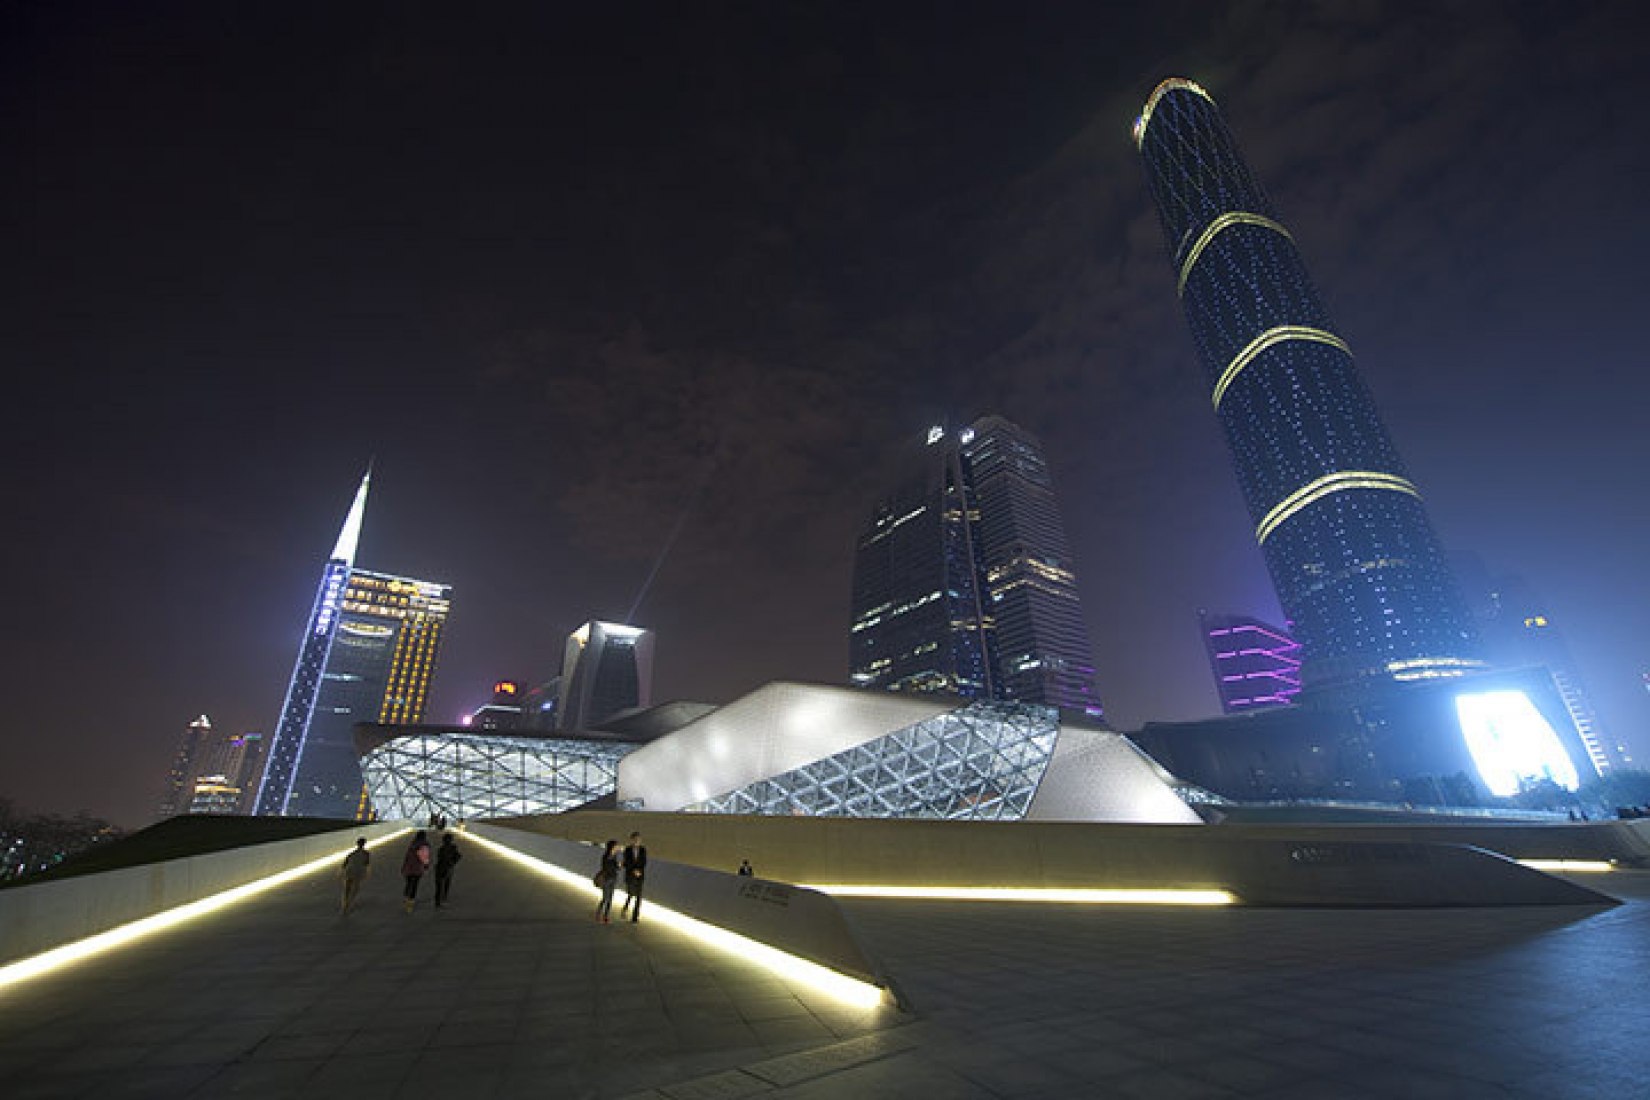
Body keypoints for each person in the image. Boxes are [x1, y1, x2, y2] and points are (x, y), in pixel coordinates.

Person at [619, 831, 647, 923]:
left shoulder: (643, 850)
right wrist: (633, 870)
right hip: (630, 876)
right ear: (632, 840)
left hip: (640, 876)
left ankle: (635, 917)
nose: (637, 841)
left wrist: (639, 871)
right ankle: (625, 908)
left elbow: (644, 862)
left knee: (639, 896)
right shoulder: (627, 850)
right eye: (635, 839)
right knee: (631, 894)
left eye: (638, 839)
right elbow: (627, 862)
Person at [401, 830, 432, 912]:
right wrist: (426, 866)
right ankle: (410, 903)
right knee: (414, 885)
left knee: (408, 883)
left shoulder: (412, 843)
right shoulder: (424, 845)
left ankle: (406, 898)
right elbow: (424, 857)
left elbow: (407, 856)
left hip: (408, 867)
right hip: (417, 868)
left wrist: (404, 867)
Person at [339, 837, 371, 913]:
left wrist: (342, 871)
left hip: (350, 871)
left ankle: (344, 904)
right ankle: (348, 904)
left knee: (347, 888)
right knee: (355, 889)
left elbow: (345, 863)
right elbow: (366, 863)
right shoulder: (366, 854)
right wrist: (366, 873)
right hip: (358, 872)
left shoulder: (351, 853)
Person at [434, 833, 462, 908]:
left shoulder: (441, 848)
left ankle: (438, 901)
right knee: (446, 884)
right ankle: (443, 899)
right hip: (448, 868)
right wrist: (452, 862)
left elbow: (439, 858)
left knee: (440, 886)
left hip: (441, 868)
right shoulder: (453, 848)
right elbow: (459, 856)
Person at [595, 839, 620, 924]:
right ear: (612, 847)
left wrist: (618, 866)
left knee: (610, 899)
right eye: (616, 846)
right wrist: (615, 866)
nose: (618, 847)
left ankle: (606, 916)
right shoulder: (606, 856)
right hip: (606, 879)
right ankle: (599, 913)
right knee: (605, 897)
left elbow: (615, 867)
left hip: (613, 878)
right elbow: (606, 868)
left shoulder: (614, 856)